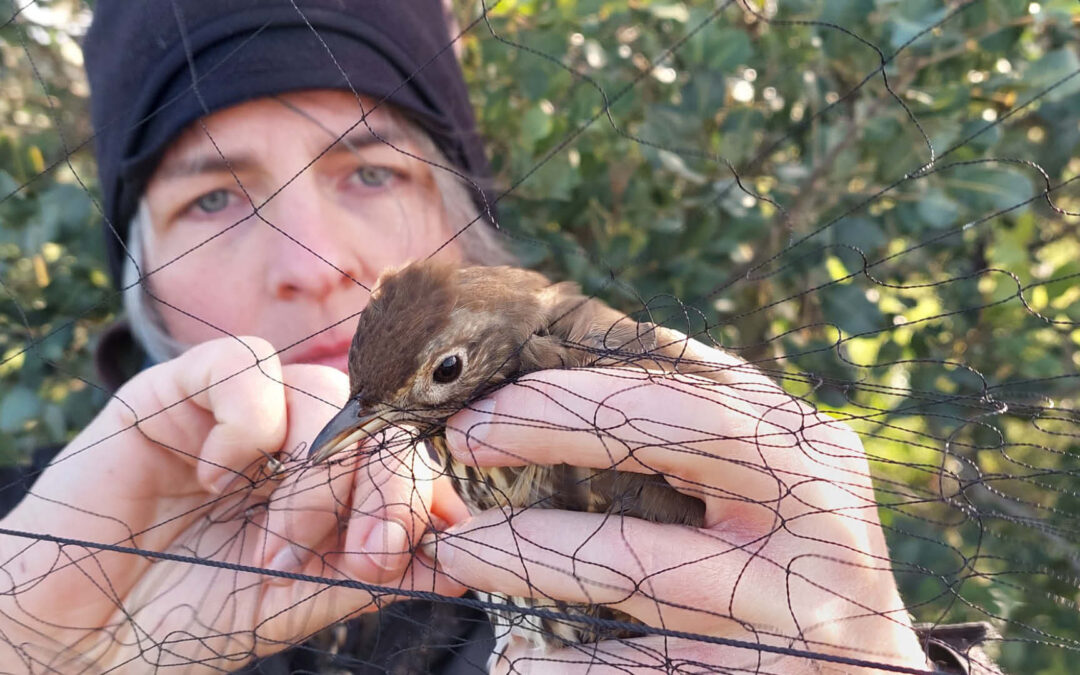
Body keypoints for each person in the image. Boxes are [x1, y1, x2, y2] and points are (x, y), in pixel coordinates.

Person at [0, 1, 1000, 673]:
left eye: (372, 171)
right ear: (142, 291)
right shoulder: (26, 553)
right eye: (217, 197)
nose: (312, 259)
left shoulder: (662, 437)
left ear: (463, 225)